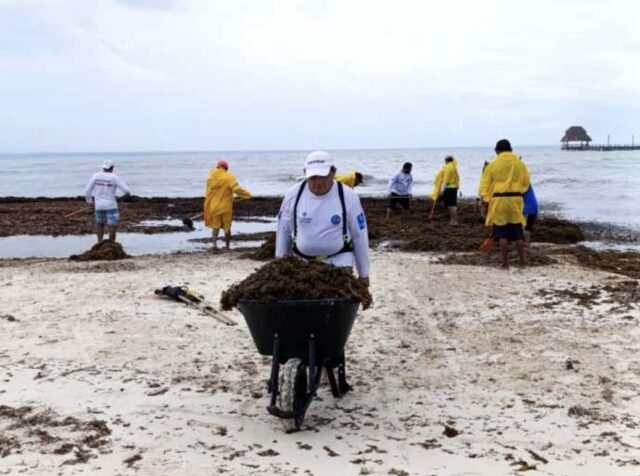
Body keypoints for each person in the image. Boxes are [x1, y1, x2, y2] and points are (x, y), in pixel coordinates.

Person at [275, 150, 370, 286]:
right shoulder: (292, 195)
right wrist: (279, 268)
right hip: (301, 263)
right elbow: (284, 232)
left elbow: (359, 236)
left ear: (333, 173)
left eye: (323, 176)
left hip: (339, 261)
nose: (318, 183)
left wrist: (364, 274)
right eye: (313, 177)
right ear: (305, 174)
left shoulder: (349, 197)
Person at [478, 139, 530, 269]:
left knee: (502, 234)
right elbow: (526, 184)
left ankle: (505, 263)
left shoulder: (492, 166)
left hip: (499, 200)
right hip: (516, 200)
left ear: (496, 151)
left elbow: (484, 186)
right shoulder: (521, 164)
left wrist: (485, 200)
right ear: (511, 150)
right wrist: (518, 192)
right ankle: (522, 262)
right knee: (517, 232)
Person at [203, 160, 251, 251]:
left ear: (218, 167)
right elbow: (236, 189)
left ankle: (214, 245)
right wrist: (246, 195)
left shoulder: (210, 177)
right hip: (225, 207)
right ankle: (228, 247)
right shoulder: (229, 176)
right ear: (226, 168)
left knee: (215, 226)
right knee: (227, 227)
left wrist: (208, 205)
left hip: (214, 206)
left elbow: (208, 192)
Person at [84, 160, 131, 243]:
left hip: (98, 205)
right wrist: (120, 199)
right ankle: (111, 243)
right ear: (112, 168)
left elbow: (87, 191)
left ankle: (99, 242)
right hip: (111, 205)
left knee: (99, 224)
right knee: (112, 225)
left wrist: (90, 202)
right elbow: (127, 191)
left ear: (103, 168)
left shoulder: (95, 176)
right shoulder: (114, 177)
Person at [429, 156, 460, 225]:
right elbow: (457, 178)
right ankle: (453, 220)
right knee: (452, 204)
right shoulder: (454, 167)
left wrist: (443, 189)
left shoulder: (448, 167)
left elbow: (446, 179)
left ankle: (454, 221)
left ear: (446, 161)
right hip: (454, 188)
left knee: (451, 205)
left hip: (449, 188)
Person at [522, 182, 538, 248]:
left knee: (524, 227)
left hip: (527, 208)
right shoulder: (528, 184)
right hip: (534, 207)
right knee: (528, 228)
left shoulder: (521, 186)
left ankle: (526, 245)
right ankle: (527, 245)